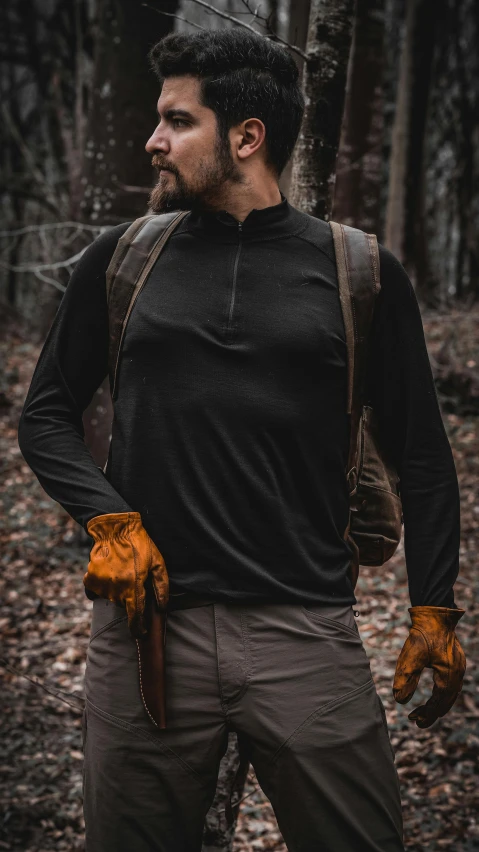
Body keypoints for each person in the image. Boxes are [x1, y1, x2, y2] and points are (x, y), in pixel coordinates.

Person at [18, 27, 466, 852]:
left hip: (305, 636)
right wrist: (108, 522)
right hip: (146, 639)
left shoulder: (358, 273)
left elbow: (426, 461)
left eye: (176, 122)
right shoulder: (120, 261)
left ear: (246, 137)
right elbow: (43, 415)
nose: (153, 142)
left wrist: (433, 608)